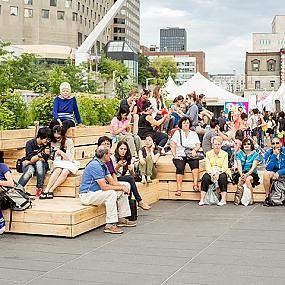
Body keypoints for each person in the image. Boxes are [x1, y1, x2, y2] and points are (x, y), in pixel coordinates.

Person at [79, 146, 136, 234]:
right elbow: (104, 187)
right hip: (87, 195)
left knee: (126, 185)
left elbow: (112, 182)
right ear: (105, 155)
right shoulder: (95, 165)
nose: (111, 155)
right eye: (109, 153)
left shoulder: (103, 164)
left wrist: (124, 187)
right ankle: (110, 224)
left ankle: (121, 218)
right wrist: (121, 187)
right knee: (111, 193)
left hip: (97, 193)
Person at [40, 125, 79, 199]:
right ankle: (47, 190)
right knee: (58, 170)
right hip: (57, 163)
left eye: (59, 137)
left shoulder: (69, 142)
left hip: (68, 163)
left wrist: (61, 152)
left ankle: (52, 190)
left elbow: (70, 158)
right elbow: (52, 158)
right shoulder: (52, 143)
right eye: (55, 137)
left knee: (65, 171)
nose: (57, 139)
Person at [111, 141, 151, 210]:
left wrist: (131, 170)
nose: (123, 151)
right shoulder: (113, 158)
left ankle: (129, 209)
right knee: (129, 179)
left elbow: (132, 175)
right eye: (121, 149)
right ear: (117, 149)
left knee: (130, 181)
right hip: (114, 178)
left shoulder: (128, 158)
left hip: (125, 178)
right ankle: (140, 201)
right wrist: (118, 166)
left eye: (125, 149)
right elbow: (111, 173)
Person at [171, 117, 201, 196]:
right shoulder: (177, 133)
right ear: (181, 124)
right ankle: (179, 188)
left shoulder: (193, 133)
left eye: (187, 123)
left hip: (191, 154)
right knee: (180, 167)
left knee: (195, 163)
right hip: (180, 154)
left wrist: (194, 150)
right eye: (184, 123)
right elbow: (173, 144)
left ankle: (195, 184)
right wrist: (175, 155)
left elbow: (198, 144)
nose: (186, 124)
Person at [18, 127, 51, 198]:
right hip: (31, 167)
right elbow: (31, 159)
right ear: (40, 137)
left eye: (48, 139)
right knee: (30, 170)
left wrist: (31, 161)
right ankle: (18, 189)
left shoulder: (47, 145)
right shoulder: (30, 143)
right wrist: (41, 154)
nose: (47, 141)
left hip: (42, 167)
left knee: (39, 163)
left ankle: (39, 189)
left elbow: (42, 160)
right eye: (46, 138)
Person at [199, 136, 229, 206]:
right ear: (212, 145)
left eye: (219, 144)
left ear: (221, 145)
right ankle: (202, 199)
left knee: (223, 177)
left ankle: (223, 199)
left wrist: (218, 172)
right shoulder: (208, 154)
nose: (217, 146)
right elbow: (208, 165)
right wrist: (211, 173)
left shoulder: (225, 154)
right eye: (215, 144)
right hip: (211, 171)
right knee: (205, 177)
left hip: (221, 171)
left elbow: (225, 166)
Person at [234, 138, 260, 205]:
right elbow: (239, 166)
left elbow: (253, 167)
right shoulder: (239, 154)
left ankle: (251, 198)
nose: (246, 145)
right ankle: (238, 199)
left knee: (248, 180)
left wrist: (246, 175)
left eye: (248, 144)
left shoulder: (255, 154)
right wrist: (242, 174)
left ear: (251, 145)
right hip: (242, 172)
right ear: (242, 146)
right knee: (240, 179)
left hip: (252, 173)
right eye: (245, 144)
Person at [263, 137, 285, 206]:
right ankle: (267, 197)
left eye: (277, 143)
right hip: (273, 173)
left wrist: (279, 172)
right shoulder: (268, 153)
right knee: (266, 174)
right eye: (273, 143)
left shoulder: (284, 151)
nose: (275, 145)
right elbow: (268, 168)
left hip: (282, 172)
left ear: (281, 144)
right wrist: (274, 156)